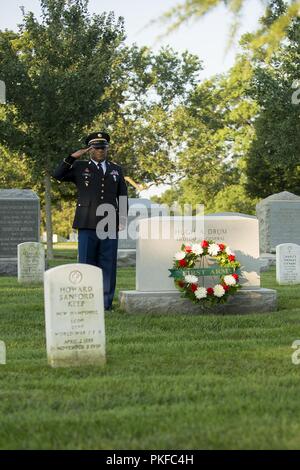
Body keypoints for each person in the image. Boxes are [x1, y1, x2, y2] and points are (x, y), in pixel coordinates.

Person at [52, 131, 128, 311]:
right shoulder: (79, 167)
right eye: (96, 148)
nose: (100, 151)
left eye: (103, 148)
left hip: (110, 222)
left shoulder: (116, 169)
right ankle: (86, 302)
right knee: (87, 262)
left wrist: (122, 218)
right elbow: (57, 175)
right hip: (86, 222)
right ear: (90, 149)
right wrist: (71, 157)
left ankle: (105, 303)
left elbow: (123, 195)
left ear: (107, 149)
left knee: (108, 263)